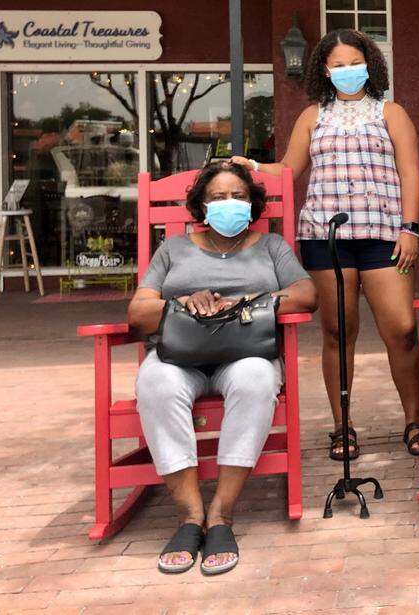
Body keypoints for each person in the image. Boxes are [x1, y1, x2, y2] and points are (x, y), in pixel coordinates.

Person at [232, 29, 419, 462]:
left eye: (354, 62)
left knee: (404, 330)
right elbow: (288, 169)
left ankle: (413, 419)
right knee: (338, 332)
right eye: (337, 64)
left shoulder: (391, 113)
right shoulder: (312, 116)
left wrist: (410, 228)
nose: (347, 71)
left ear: (369, 65)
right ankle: (342, 427)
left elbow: (411, 173)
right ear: (324, 69)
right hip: (325, 235)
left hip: (384, 235)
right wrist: (252, 167)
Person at [127, 161, 318, 575]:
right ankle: (189, 516)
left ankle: (221, 515)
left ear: (252, 205)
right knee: (155, 382)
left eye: (238, 196)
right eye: (217, 197)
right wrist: (181, 302)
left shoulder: (271, 247)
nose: (228, 204)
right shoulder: (174, 249)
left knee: (256, 379)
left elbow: (306, 295)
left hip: (246, 351)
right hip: (180, 354)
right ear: (200, 206)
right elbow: (138, 311)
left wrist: (249, 301)